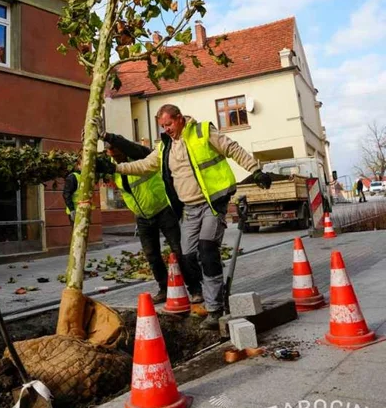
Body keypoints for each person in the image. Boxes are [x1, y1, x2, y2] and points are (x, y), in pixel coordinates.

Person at [106, 104, 272, 330]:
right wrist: (115, 168)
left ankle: (215, 309)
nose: (167, 129)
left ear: (180, 118)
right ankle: (215, 288)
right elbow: (145, 165)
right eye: (162, 126)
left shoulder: (203, 131)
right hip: (189, 209)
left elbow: (232, 148)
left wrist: (255, 170)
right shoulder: (165, 146)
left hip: (213, 203)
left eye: (169, 124)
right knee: (187, 255)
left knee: (207, 250)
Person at [101, 131, 203, 305]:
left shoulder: (141, 156)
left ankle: (195, 289)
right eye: (111, 154)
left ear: (123, 150)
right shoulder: (112, 166)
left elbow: (131, 147)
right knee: (152, 255)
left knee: (179, 251)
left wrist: (107, 136)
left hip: (163, 209)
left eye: (117, 153)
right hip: (142, 216)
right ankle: (164, 289)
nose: (115, 158)